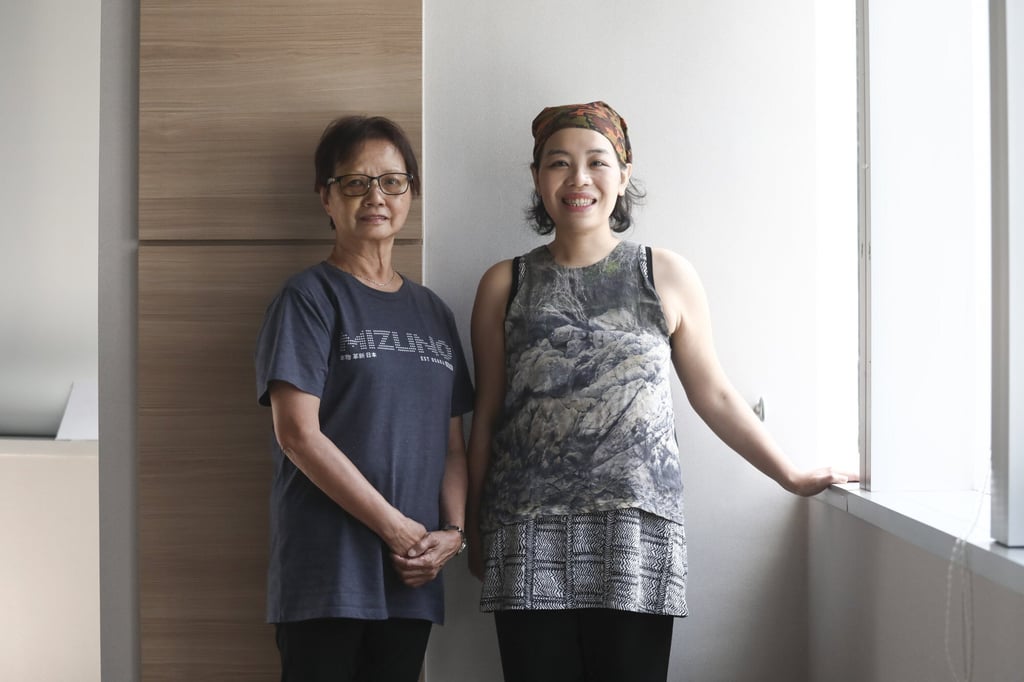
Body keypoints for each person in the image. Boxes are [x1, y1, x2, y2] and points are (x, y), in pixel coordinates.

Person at [466, 101, 857, 682]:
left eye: (597, 162)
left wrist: (791, 475)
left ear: (623, 175)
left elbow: (715, 395)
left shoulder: (664, 274)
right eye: (558, 163)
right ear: (537, 178)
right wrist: (473, 524)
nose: (578, 179)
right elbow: (488, 411)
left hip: (637, 531)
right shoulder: (506, 282)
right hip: (526, 532)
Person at [254, 115, 474, 682]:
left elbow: (453, 444)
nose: (375, 196)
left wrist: (451, 533)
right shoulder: (307, 298)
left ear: (410, 193)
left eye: (392, 182)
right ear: (326, 197)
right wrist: (396, 527)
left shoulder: (434, 312)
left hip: (411, 574)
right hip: (329, 573)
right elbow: (298, 434)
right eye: (355, 182)